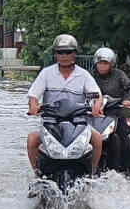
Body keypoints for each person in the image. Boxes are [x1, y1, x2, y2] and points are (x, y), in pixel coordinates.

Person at [27, 34, 104, 176]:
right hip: (51, 122)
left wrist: (97, 106)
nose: (64, 56)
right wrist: (33, 106)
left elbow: (96, 95)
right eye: (60, 52)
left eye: (68, 52)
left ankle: (92, 172)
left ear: (74, 53)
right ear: (55, 54)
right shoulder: (46, 73)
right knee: (32, 139)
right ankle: (36, 173)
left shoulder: (84, 75)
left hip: (77, 122)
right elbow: (34, 94)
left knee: (97, 139)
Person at [93, 47, 130, 179]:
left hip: (115, 113)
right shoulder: (90, 77)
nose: (102, 66)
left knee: (123, 135)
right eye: (100, 63)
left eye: (105, 63)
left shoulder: (119, 75)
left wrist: (128, 99)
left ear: (111, 64)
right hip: (96, 114)